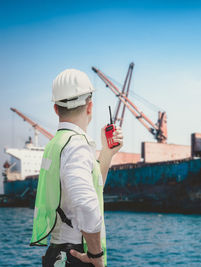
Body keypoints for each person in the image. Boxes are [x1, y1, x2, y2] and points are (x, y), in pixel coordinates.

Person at [30, 69, 123, 267]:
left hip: (58, 252)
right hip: (75, 255)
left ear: (56, 109)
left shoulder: (56, 144)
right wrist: (96, 257)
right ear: (90, 107)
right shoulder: (76, 145)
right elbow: (86, 203)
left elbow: (90, 189)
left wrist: (106, 153)